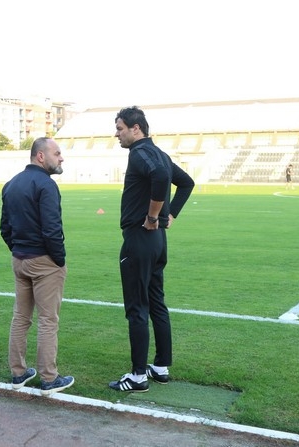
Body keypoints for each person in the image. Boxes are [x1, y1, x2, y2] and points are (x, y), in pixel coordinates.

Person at [109, 106, 195, 393]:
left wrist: (153, 215)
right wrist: (170, 215)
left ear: (136, 129)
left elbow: (160, 176)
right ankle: (160, 366)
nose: (117, 134)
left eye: (120, 128)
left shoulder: (141, 152)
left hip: (140, 237)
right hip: (157, 241)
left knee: (137, 307)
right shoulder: (160, 152)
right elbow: (186, 183)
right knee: (156, 301)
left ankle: (137, 375)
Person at [0, 137, 74, 396]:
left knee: (21, 318)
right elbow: (52, 229)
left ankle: (18, 373)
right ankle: (48, 378)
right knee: (47, 320)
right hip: (44, 261)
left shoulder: (11, 184)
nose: (61, 157)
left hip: (20, 259)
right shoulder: (46, 185)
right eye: (57, 153)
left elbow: (4, 228)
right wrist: (59, 260)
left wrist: (18, 250)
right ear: (40, 156)